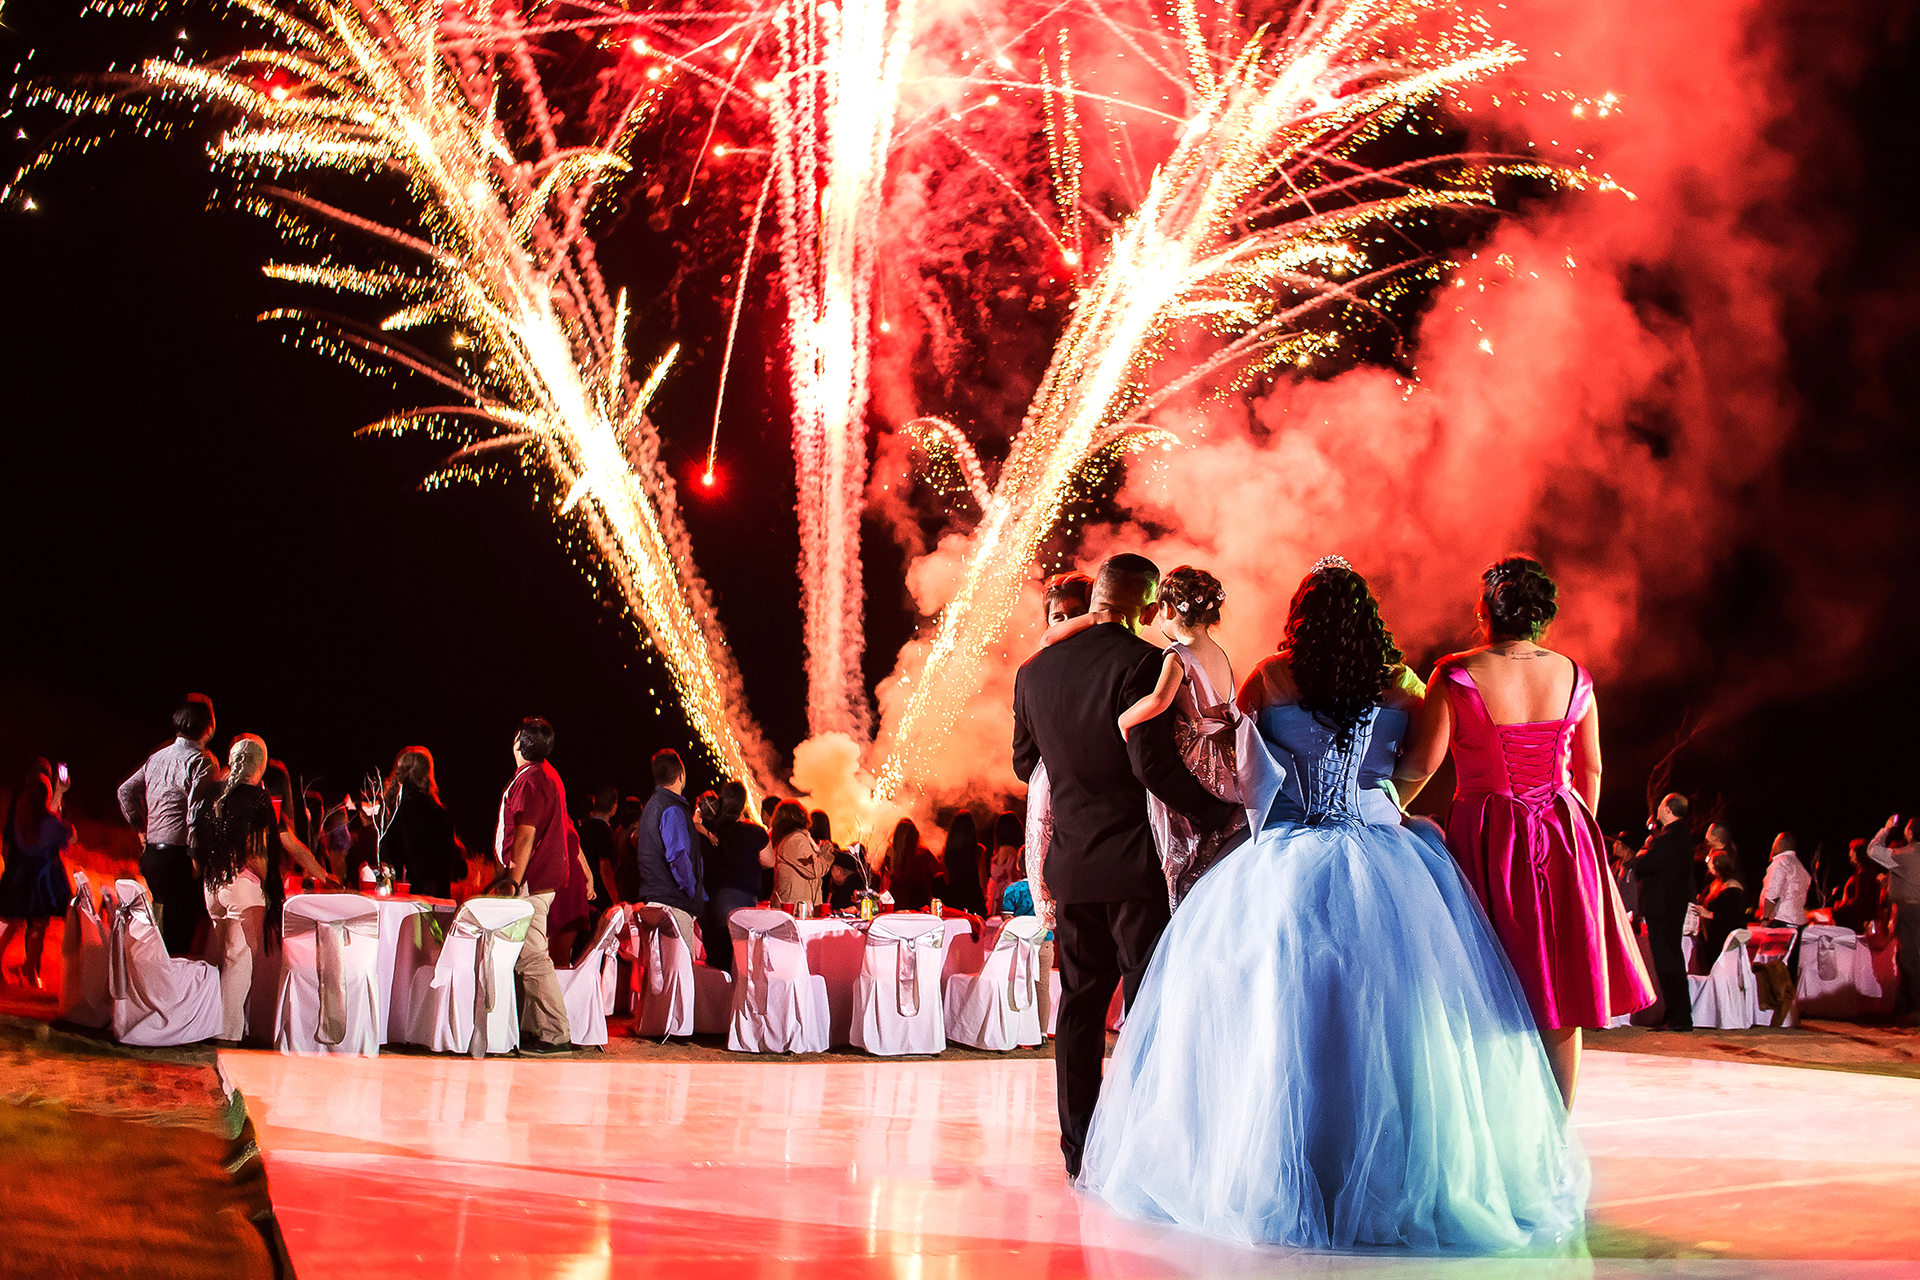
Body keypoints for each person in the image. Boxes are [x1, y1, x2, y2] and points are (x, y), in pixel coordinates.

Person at [1079, 556, 1587, 1250]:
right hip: (1384, 854)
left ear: (1302, 617)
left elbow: (1243, 761)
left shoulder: (1271, 676)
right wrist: (1379, 799)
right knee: (1394, 1026)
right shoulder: (1403, 685)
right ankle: (1387, 1169)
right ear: (1366, 619)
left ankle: (1292, 1166)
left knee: (1283, 1020)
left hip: (1287, 852)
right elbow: (1412, 769)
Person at [1012, 552, 1239, 1179]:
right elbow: (1152, 766)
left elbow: (1024, 765)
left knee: (1078, 1010)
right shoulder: (1142, 662)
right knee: (1143, 1007)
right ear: (1145, 604)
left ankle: (1077, 1149)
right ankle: (1141, 1145)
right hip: (1136, 865)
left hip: (1073, 867)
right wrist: (1217, 813)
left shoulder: (1032, 672)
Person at [1396, 556, 1652, 1106]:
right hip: (1567, 831)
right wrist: (1577, 831)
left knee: (1492, 973)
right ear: (1543, 616)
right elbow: (1593, 769)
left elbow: (1422, 764)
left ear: (1486, 610)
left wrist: (1388, 809)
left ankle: (1500, 1128)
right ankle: (1556, 1131)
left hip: (1491, 832)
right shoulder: (1574, 674)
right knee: (1561, 987)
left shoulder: (1457, 671)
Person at [1053, 565, 1246, 907]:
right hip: (1226, 756)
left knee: (1184, 847)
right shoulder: (1220, 654)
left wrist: (1125, 720)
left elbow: (1158, 700)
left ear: (1169, 610)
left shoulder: (1176, 655)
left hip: (1198, 757)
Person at [493, 717, 574, 1054]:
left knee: (531, 956)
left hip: (530, 882)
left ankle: (556, 1032)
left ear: (518, 744)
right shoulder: (542, 777)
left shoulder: (530, 781)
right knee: (525, 956)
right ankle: (529, 1027)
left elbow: (525, 835)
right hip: (538, 880)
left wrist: (512, 878)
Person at [117, 693, 220, 956]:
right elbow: (196, 812)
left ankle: (152, 988)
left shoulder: (157, 757)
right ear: (208, 727)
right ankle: (172, 992)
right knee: (180, 937)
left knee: (158, 932)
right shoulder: (203, 761)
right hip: (180, 859)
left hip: (152, 856)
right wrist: (197, 857)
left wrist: (140, 827)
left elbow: (124, 791)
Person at [198, 756, 279, 1044]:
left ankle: (226, 1025)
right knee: (239, 961)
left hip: (214, 883)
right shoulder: (253, 800)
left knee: (227, 958)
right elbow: (254, 852)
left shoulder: (215, 793)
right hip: (243, 885)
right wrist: (272, 881)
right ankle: (226, 1033)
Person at [0, 766, 73, 988]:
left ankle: (27, 969)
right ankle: (30, 969)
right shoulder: (45, 818)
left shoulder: (21, 810)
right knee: (37, 924)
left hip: (22, 872)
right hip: (41, 875)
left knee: (16, 922)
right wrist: (61, 795)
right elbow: (66, 835)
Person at [1632, 794, 1696, 1031]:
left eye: (1660, 805)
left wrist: (1639, 857)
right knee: (1671, 959)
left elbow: (1647, 865)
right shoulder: (1680, 836)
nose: (1657, 808)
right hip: (1671, 906)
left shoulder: (1671, 838)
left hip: (1665, 907)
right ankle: (1677, 1014)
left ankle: (1679, 1017)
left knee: (1668, 961)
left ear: (1668, 810)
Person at [627, 749, 703, 933]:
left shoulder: (652, 805)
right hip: (673, 905)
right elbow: (678, 856)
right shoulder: (672, 809)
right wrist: (692, 893)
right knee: (679, 962)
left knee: (658, 961)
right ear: (681, 775)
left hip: (656, 900)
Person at [700, 781, 767, 972]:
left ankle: (714, 1000)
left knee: (715, 962)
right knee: (739, 963)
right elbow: (769, 861)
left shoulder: (709, 830)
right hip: (741, 902)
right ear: (744, 805)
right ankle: (733, 1001)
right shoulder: (754, 832)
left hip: (710, 902)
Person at [378, 747, 460, 898]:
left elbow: (387, 857)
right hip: (436, 898)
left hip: (403, 895)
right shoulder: (440, 815)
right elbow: (456, 867)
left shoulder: (395, 810)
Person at [1868, 814, 1920, 1020]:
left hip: (1910, 912)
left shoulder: (1906, 854)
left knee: (1909, 960)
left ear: (1909, 833)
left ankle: (1916, 1009)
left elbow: (1873, 850)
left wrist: (1887, 828)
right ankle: (1904, 1007)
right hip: (1910, 911)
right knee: (1906, 959)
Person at [1691, 851, 1751, 976]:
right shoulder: (1716, 883)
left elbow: (1733, 916)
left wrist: (1710, 914)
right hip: (1712, 936)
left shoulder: (1734, 889)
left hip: (1724, 938)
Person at [764, 800, 832, 908]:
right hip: (795, 908)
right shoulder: (795, 840)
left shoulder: (789, 839)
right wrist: (826, 857)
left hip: (794, 906)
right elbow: (813, 869)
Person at [882, 818, 938, 911]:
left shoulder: (891, 853)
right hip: (921, 905)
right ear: (915, 835)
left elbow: (885, 879)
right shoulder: (924, 854)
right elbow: (938, 875)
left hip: (897, 903)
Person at [1830, 838, 1884, 934]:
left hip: (1858, 921)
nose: (1849, 854)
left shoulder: (1864, 873)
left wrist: (1840, 906)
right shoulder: (1862, 871)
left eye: (1851, 851)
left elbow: (1860, 900)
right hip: (1858, 918)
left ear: (1857, 853)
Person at [940, 811, 988, 916]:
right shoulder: (978, 851)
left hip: (953, 899)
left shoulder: (947, 851)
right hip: (973, 899)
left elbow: (946, 879)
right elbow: (982, 881)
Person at [579, 785, 620, 909]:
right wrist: (615, 898)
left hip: (585, 889)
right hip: (600, 894)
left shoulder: (584, 827)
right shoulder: (604, 831)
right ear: (614, 806)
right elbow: (605, 868)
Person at [986, 811, 1023, 916]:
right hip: (1011, 895)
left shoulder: (1002, 851)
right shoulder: (1015, 851)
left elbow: (995, 875)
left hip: (999, 895)